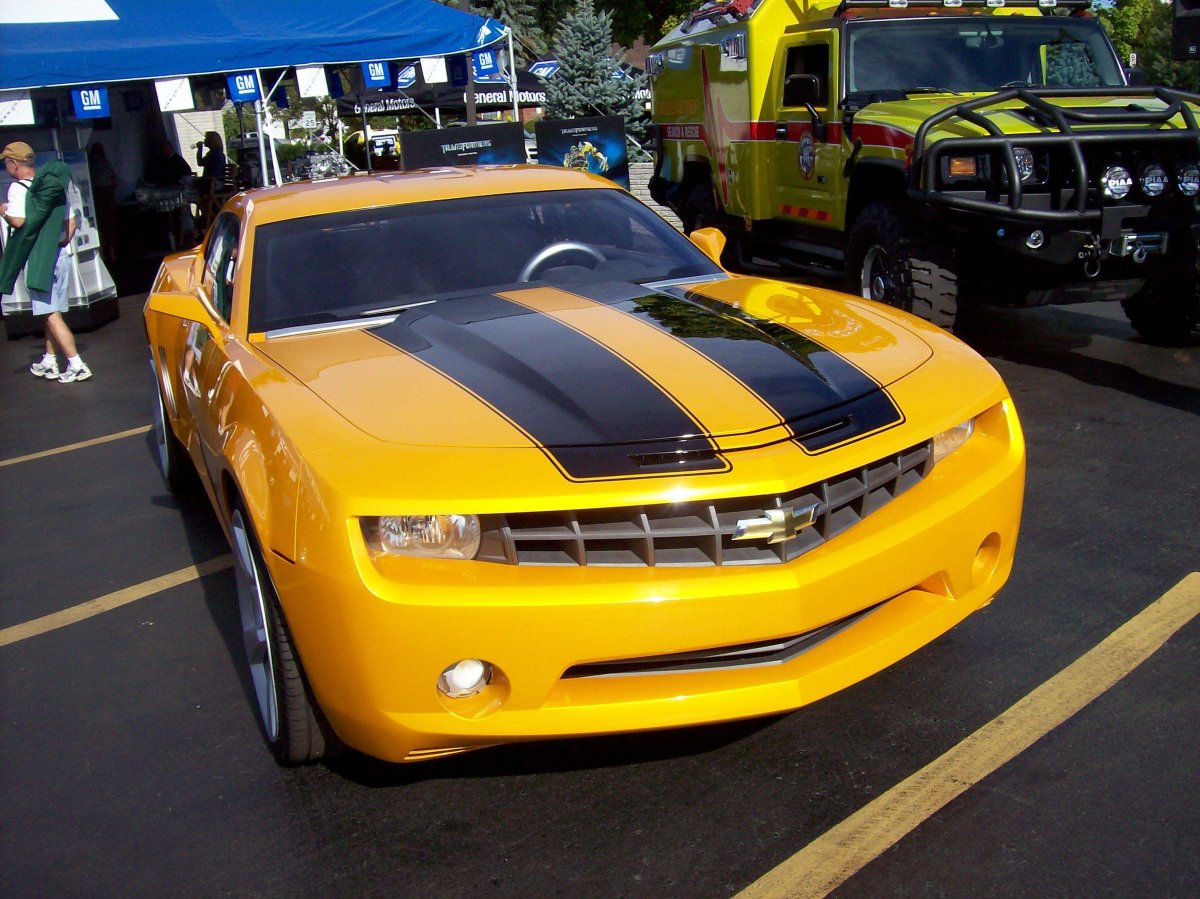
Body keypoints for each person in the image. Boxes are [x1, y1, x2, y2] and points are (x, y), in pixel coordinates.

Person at [0, 141, 92, 383]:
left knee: (50, 313)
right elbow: (71, 223)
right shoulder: (54, 186)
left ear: (14, 164)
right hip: (60, 255)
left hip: (38, 259)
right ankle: (50, 360)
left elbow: (19, 222)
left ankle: (76, 363)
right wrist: (61, 244)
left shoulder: (17, 189)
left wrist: (3, 211)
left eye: (6, 162)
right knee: (49, 310)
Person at [87, 142, 118, 264]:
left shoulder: (91, 163)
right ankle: (112, 253)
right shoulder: (106, 162)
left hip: (98, 193)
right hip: (108, 192)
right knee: (109, 223)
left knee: (98, 224)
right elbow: (113, 178)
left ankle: (102, 253)